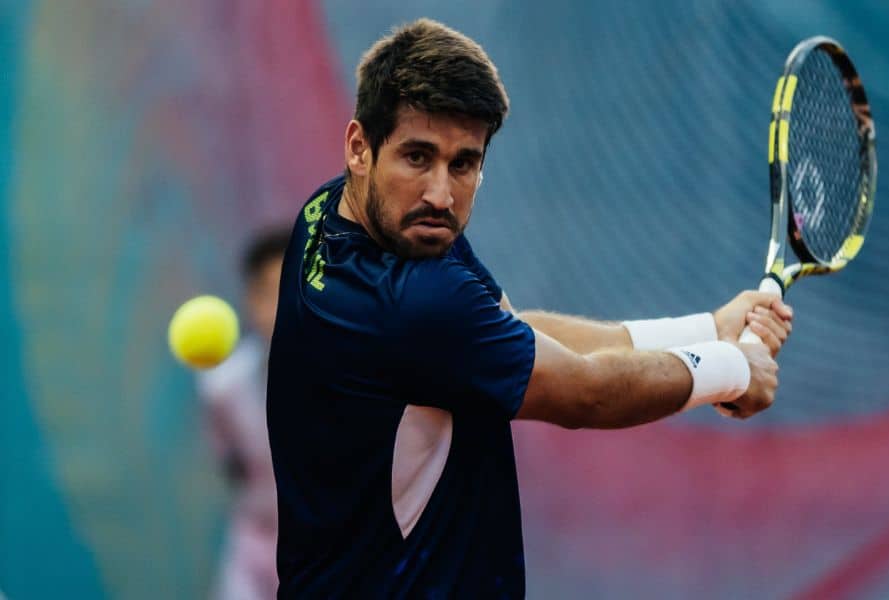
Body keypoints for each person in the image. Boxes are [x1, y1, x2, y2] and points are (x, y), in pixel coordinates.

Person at [266, 18, 793, 598]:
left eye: (462, 164)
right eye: (417, 157)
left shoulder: (325, 214)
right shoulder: (417, 302)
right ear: (359, 147)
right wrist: (734, 370)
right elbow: (585, 390)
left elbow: (507, 334)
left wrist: (705, 328)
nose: (440, 194)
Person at [199, 227, 290, 600]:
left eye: (298, 288)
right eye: (269, 292)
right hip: (252, 544)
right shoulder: (222, 386)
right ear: (251, 300)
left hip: (331, 551)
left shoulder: (358, 385)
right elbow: (230, 464)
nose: (285, 305)